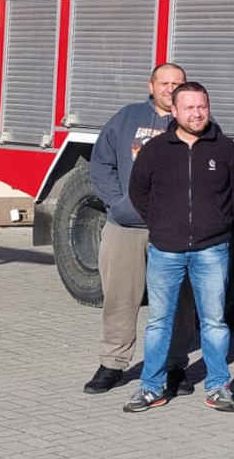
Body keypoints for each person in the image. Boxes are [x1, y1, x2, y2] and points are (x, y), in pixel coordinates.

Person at [122, 83, 234, 413]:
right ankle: (151, 388)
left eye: (202, 106)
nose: (197, 113)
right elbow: (139, 192)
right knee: (159, 323)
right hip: (166, 250)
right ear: (174, 111)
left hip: (212, 250)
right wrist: (163, 225)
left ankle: (218, 386)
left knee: (214, 322)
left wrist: (219, 225)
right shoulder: (155, 150)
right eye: (189, 107)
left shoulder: (224, 149)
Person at [82, 64, 196, 398]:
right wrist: (118, 203)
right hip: (127, 228)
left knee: (179, 301)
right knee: (120, 297)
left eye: (177, 83)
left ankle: (176, 365)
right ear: (151, 85)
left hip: (175, 231)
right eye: (165, 82)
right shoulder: (127, 117)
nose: (170, 88)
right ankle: (113, 364)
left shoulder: (193, 120)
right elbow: (101, 163)